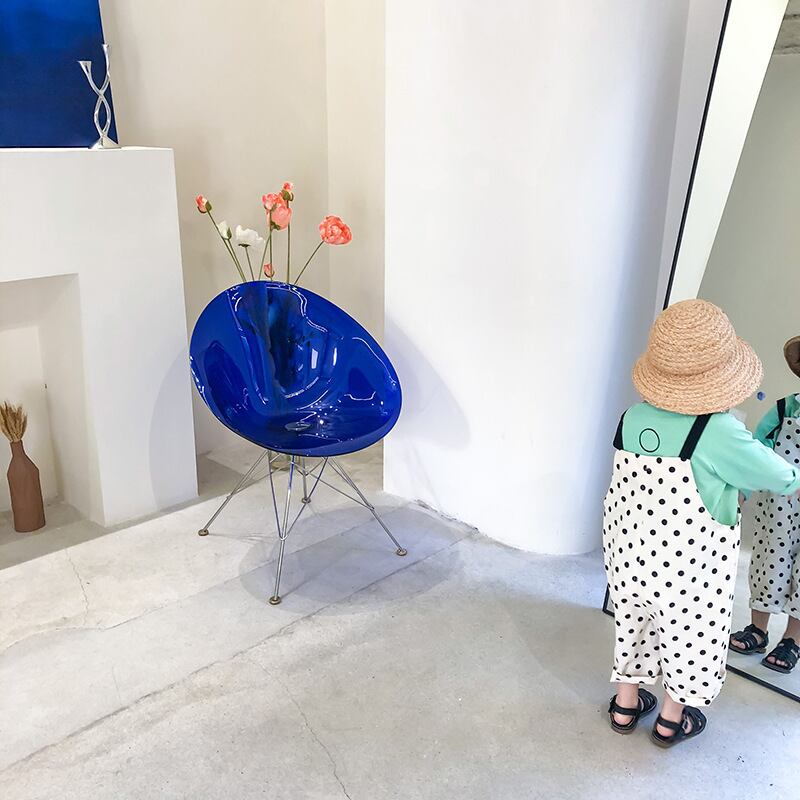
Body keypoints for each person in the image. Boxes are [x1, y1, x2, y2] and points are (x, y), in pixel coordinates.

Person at [603, 300, 800, 747]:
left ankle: (625, 705)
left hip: (627, 552)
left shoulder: (631, 417)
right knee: (690, 637)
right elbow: (778, 473)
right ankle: (671, 720)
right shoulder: (717, 431)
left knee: (634, 621)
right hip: (688, 567)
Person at [729, 336, 800, 674]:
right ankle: (758, 629)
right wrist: (742, 486)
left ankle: (793, 640)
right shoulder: (785, 410)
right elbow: (755, 452)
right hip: (779, 509)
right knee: (769, 562)